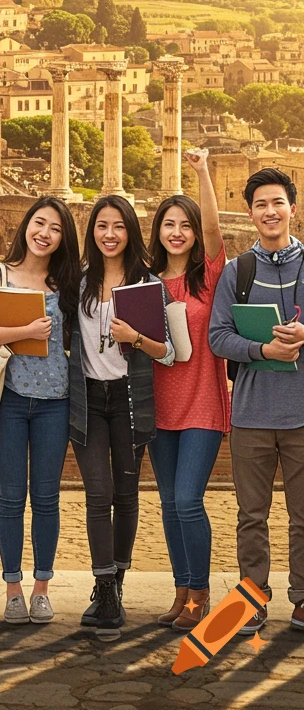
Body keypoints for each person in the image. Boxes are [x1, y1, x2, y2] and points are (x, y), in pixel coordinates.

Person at [67, 194, 175, 640]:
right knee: (99, 493)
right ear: (91, 232)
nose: (109, 234)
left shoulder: (149, 284)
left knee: (127, 495)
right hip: (87, 399)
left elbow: (167, 351)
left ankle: (116, 582)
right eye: (101, 226)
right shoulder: (76, 282)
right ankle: (105, 586)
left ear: (130, 231)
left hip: (130, 399)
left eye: (118, 226)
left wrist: (136, 337)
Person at [0, 197, 80, 625]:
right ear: (25, 226)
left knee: (47, 498)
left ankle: (42, 588)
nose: (44, 233)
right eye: (39, 223)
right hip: (9, 400)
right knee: (11, 497)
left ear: (62, 237)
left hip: (56, 401)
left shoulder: (70, 284)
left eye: (54, 228)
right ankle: (13, 588)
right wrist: (26, 331)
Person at [209, 167, 304, 635]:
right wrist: (262, 350)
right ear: (250, 213)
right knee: (251, 516)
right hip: (250, 414)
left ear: (292, 208)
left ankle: (303, 598)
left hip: (302, 415)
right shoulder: (237, 271)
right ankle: (253, 596)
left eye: (277, 202)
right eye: (261, 205)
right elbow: (216, 338)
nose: (270, 211)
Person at [148, 151, 228, 631]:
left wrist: (201, 173)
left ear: (196, 234)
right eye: (168, 224)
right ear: (158, 231)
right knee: (167, 503)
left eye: (186, 225)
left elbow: (219, 232)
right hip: (160, 406)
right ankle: (181, 591)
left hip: (202, 403)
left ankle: (201, 590)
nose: (176, 232)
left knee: (186, 500)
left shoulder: (210, 276)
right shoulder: (147, 283)